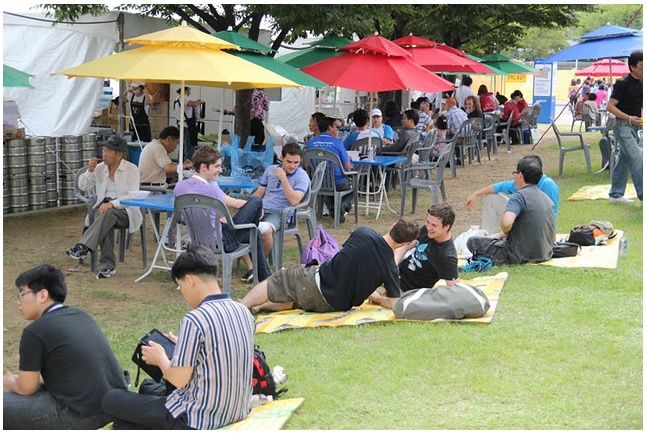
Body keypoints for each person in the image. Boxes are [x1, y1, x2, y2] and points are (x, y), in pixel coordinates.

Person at [101, 246, 255, 430]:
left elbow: (179, 380)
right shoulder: (243, 312)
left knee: (111, 400)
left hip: (194, 418)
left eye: (180, 287)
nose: (183, 294)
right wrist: (182, 344)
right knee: (147, 391)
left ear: (189, 280)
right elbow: (222, 350)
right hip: (236, 411)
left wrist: (160, 358)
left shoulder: (195, 319)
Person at [4, 264, 127, 429]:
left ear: (42, 295)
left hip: (80, 414)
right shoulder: (81, 315)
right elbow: (72, 369)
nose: (18, 301)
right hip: (115, 405)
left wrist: (9, 383)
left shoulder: (35, 331)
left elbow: (26, 388)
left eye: (22, 293)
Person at [241, 217, 420, 313]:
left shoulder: (363, 233)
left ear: (393, 225)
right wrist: (380, 299)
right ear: (405, 244)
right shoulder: (390, 268)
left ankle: (239, 309)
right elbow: (394, 302)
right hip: (334, 305)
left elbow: (349, 259)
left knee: (278, 280)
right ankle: (259, 307)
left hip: (319, 282)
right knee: (299, 300)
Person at [173, 145, 271, 283]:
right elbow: (237, 204)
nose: (220, 170)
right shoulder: (211, 189)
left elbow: (181, 218)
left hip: (197, 241)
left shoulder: (179, 187)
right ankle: (266, 279)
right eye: (217, 166)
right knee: (255, 201)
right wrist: (258, 210)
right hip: (222, 243)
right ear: (204, 167)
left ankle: (266, 278)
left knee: (255, 233)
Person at [66, 135, 142, 279]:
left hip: (125, 210)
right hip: (103, 208)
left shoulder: (132, 170)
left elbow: (133, 196)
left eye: (108, 151)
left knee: (108, 214)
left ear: (118, 155)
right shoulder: (100, 168)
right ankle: (107, 267)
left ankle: (83, 246)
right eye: (103, 150)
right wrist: (89, 171)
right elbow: (83, 186)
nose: (104, 154)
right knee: (104, 217)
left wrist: (113, 203)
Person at [466, 156, 555, 265]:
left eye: (515, 173)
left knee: (472, 241)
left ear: (520, 175)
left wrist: (503, 232)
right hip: (544, 253)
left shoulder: (519, 196)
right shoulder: (546, 198)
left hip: (518, 255)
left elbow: (506, 224)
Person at [465, 155, 559, 235]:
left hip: (536, 224)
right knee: (490, 197)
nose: (515, 176)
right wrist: (476, 194)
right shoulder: (522, 183)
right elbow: (500, 186)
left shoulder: (548, 185)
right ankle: (488, 235)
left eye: (516, 173)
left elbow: (551, 215)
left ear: (521, 175)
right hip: (521, 217)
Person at [255, 142, 311, 256]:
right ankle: (250, 262)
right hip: (262, 209)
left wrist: (284, 179)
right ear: (281, 158)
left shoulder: (302, 176)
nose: (292, 166)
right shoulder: (270, 170)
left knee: (265, 231)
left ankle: (259, 263)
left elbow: (294, 201)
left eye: (296, 162)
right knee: (238, 225)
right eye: (289, 162)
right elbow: (258, 194)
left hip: (280, 214)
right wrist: (253, 207)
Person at [396, 203, 459, 292]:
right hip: (397, 275)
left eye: (434, 225)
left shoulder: (447, 256)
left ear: (446, 227)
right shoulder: (428, 230)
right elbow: (405, 245)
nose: (428, 227)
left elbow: (455, 289)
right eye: (427, 222)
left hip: (407, 291)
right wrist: (394, 264)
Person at [607, 50, 643, 205]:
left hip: (636, 127)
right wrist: (629, 118)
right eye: (642, 66)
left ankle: (615, 195)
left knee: (625, 159)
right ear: (633, 67)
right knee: (637, 157)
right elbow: (610, 106)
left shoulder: (642, 83)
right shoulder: (623, 83)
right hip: (623, 126)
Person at [308, 117, 354, 221]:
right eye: (336, 127)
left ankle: (333, 209)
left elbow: (307, 164)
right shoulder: (337, 143)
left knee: (330, 190)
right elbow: (347, 166)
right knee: (354, 184)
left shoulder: (311, 143)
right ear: (329, 127)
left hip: (318, 182)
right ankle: (343, 206)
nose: (337, 130)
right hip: (338, 182)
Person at [173, 86, 202, 161]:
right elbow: (192, 104)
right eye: (189, 90)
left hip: (180, 125)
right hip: (187, 126)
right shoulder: (184, 98)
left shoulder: (177, 99)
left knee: (182, 147)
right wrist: (199, 102)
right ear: (186, 90)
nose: (190, 92)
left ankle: (180, 163)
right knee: (189, 148)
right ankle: (187, 164)